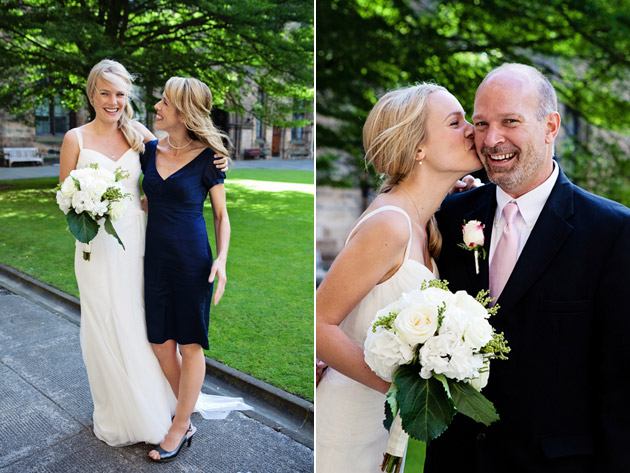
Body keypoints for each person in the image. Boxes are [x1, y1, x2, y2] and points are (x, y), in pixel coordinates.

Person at [425, 63, 630, 473]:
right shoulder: (447, 217)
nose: (492, 138)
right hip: (457, 460)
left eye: (510, 121)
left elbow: (622, 388)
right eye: (480, 123)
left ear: (551, 126)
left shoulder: (612, 232)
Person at [315, 83, 482, 472]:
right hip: (348, 425)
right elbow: (319, 324)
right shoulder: (390, 224)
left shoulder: (427, 224)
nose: (472, 129)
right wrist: (409, 392)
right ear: (417, 148)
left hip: (385, 427)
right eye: (456, 123)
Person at [59, 59, 177, 446]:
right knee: (103, 323)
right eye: (105, 93)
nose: (113, 101)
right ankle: (117, 409)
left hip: (136, 242)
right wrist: (86, 205)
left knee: (136, 320)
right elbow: (64, 197)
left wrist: (219, 159)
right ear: (92, 94)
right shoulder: (75, 138)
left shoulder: (138, 133)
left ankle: (152, 405)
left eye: (120, 94)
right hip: (94, 246)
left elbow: (179, 158)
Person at [140, 76, 249, 462]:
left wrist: (221, 259)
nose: (157, 107)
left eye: (164, 102)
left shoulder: (209, 158)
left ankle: (181, 423)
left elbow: (221, 215)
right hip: (154, 260)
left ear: (183, 112)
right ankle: (186, 412)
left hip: (192, 263)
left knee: (189, 344)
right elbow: (146, 199)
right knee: (158, 342)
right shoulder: (148, 150)